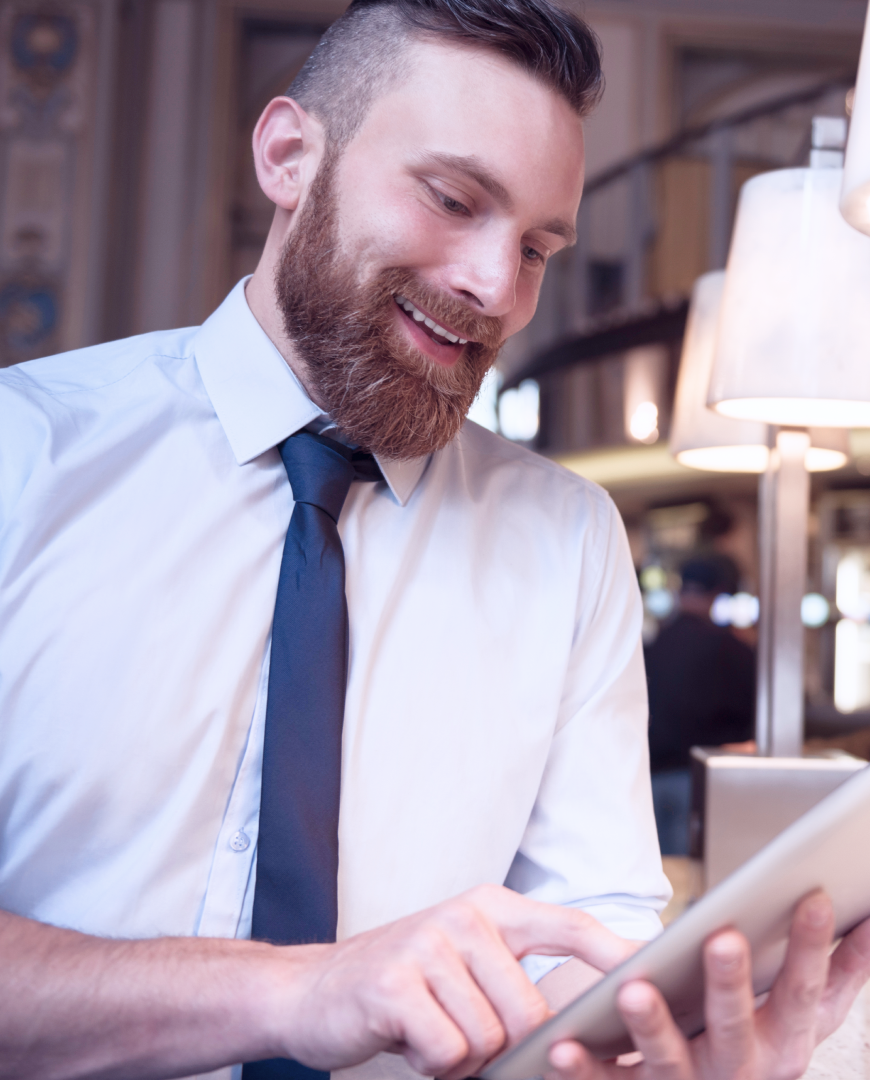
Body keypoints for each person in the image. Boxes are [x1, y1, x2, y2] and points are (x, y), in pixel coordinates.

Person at [0, 2, 868, 1079]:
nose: (496, 289)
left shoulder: (567, 539)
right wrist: (297, 991)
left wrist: (669, 1041)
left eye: (540, 248)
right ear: (287, 156)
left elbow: (584, 930)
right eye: (454, 200)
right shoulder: (21, 456)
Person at [646, 556, 756, 855]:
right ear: (717, 594)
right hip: (698, 780)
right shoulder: (732, 649)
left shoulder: (652, 645)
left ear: (680, 592)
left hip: (647, 778)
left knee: (655, 873)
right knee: (691, 875)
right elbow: (754, 714)